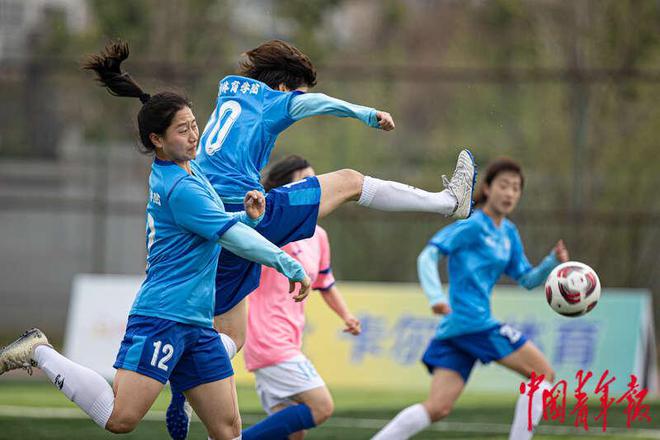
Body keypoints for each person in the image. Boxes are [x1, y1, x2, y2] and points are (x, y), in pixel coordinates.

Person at [0, 41, 311, 440]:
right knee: (121, 418)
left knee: (228, 430)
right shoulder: (181, 186)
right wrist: (287, 263)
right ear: (157, 140)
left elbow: (217, 224)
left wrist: (242, 215)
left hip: (198, 324)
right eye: (183, 130)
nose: (194, 134)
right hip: (164, 317)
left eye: (194, 124)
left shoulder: (188, 170)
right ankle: (39, 350)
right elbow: (232, 238)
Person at [168, 38, 477, 440]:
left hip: (210, 225)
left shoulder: (228, 89)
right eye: (299, 92)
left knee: (231, 340)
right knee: (349, 181)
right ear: (286, 86)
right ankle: (448, 203)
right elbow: (318, 104)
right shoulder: (275, 101)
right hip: (249, 213)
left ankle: (184, 382)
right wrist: (366, 114)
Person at [371, 158, 570, 440]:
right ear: (487, 188)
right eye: (504, 185)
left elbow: (527, 280)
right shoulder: (474, 224)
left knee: (437, 407)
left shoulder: (509, 233)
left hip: (458, 329)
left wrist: (551, 262)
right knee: (543, 375)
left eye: (516, 188)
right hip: (474, 322)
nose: (510, 193)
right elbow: (429, 254)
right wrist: (435, 297)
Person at [241, 155, 361, 439]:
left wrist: (346, 316)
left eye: (314, 180)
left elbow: (325, 282)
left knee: (294, 434)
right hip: (269, 341)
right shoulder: (270, 227)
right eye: (304, 180)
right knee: (321, 407)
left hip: (289, 340)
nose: (313, 186)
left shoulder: (318, 235)